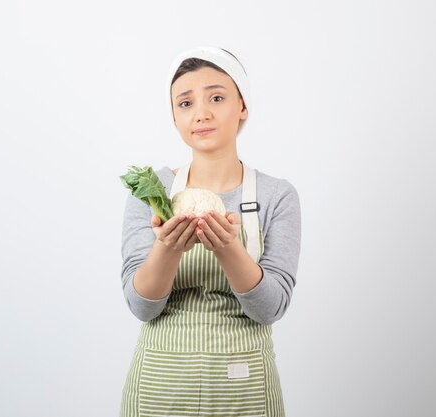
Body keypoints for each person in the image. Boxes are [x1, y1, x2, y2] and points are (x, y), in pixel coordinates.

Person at [119, 45, 301, 417]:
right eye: (185, 103)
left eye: (216, 97)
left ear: (243, 106)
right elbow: (141, 306)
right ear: (174, 117)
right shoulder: (153, 191)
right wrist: (167, 248)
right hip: (161, 388)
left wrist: (229, 249)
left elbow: (271, 308)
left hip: (244, 389)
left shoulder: (276, 196)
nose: (200, 113)